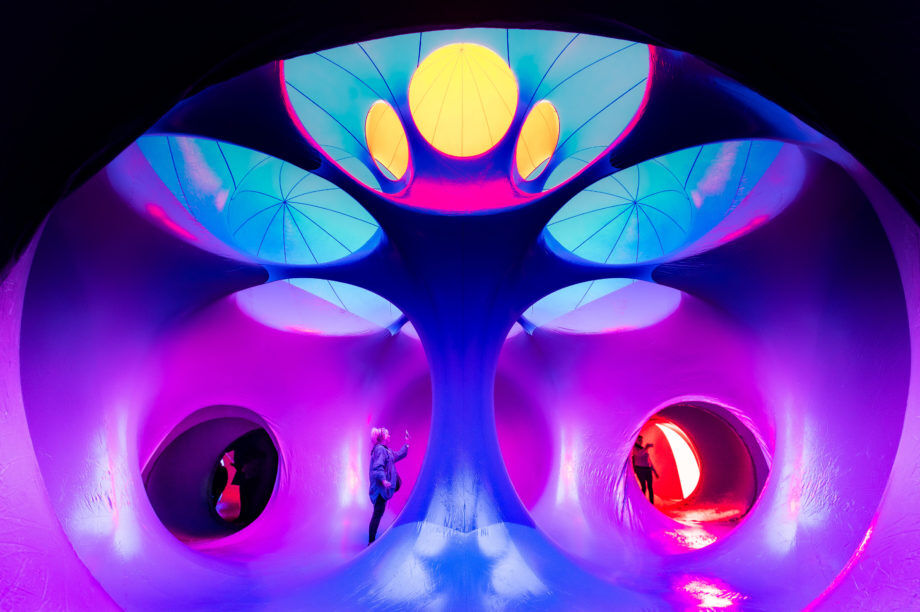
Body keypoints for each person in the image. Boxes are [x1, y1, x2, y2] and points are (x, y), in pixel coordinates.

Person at [368, 427, 410, 544]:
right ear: (381, 437)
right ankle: (371, 541)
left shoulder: (388, 451)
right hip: (380, 488)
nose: (389, 436)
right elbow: (377, 467)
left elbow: (398, 455)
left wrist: (406, 444)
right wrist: (383, 481)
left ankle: (371, 539)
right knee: (378, 512)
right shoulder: (380, 450)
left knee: (379, 512)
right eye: (387, 434)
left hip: (384, 488)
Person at [631, 434, 659, 504]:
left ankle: (651, 504)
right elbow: (638, 454)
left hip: (647, 469)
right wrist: (646, 447)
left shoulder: (642, 448)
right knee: (644, 487)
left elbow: (649, 461)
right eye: (639, 440)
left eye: (641, 440)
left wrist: (654, 471)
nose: (641, 441)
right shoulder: (634, 448)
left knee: (650, 487)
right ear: (636, 440)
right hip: (640, 470)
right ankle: (641, 502)